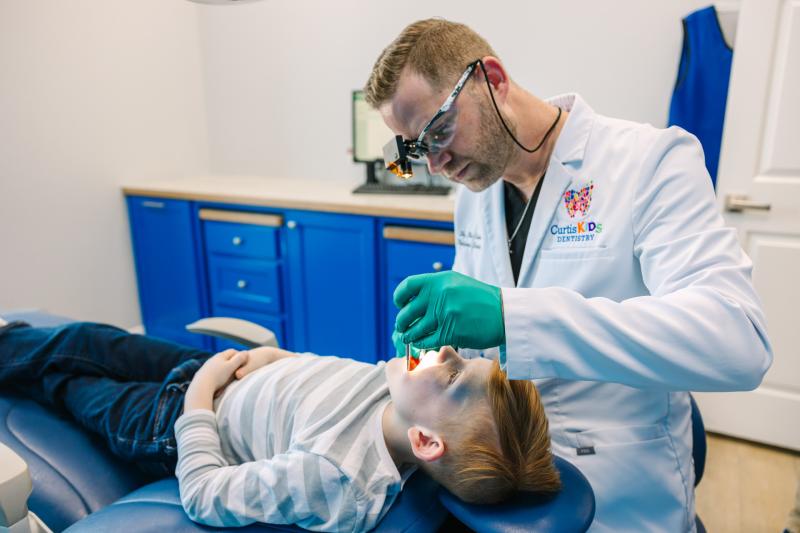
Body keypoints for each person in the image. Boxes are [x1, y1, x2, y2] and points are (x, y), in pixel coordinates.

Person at [365, 18, 772, 532]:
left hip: (622, 492)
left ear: (492, 78)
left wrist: (512, 318)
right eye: (417, 149)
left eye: (439, 131)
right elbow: (479, 359)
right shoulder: (473, 196)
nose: (438, 163)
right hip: (500, 487)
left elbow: (738, 342)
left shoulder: (649, 163)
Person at [0, 318, 560, 531]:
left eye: (453, 372)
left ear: (426, 441)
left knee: (69, 385)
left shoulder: (334, 476)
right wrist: (275, 359)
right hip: (210, 374)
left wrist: (198, 401)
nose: (442, 352)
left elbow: (203, 494)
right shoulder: (395, 392)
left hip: (174, 421)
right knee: (85, 340)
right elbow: (320, 378)